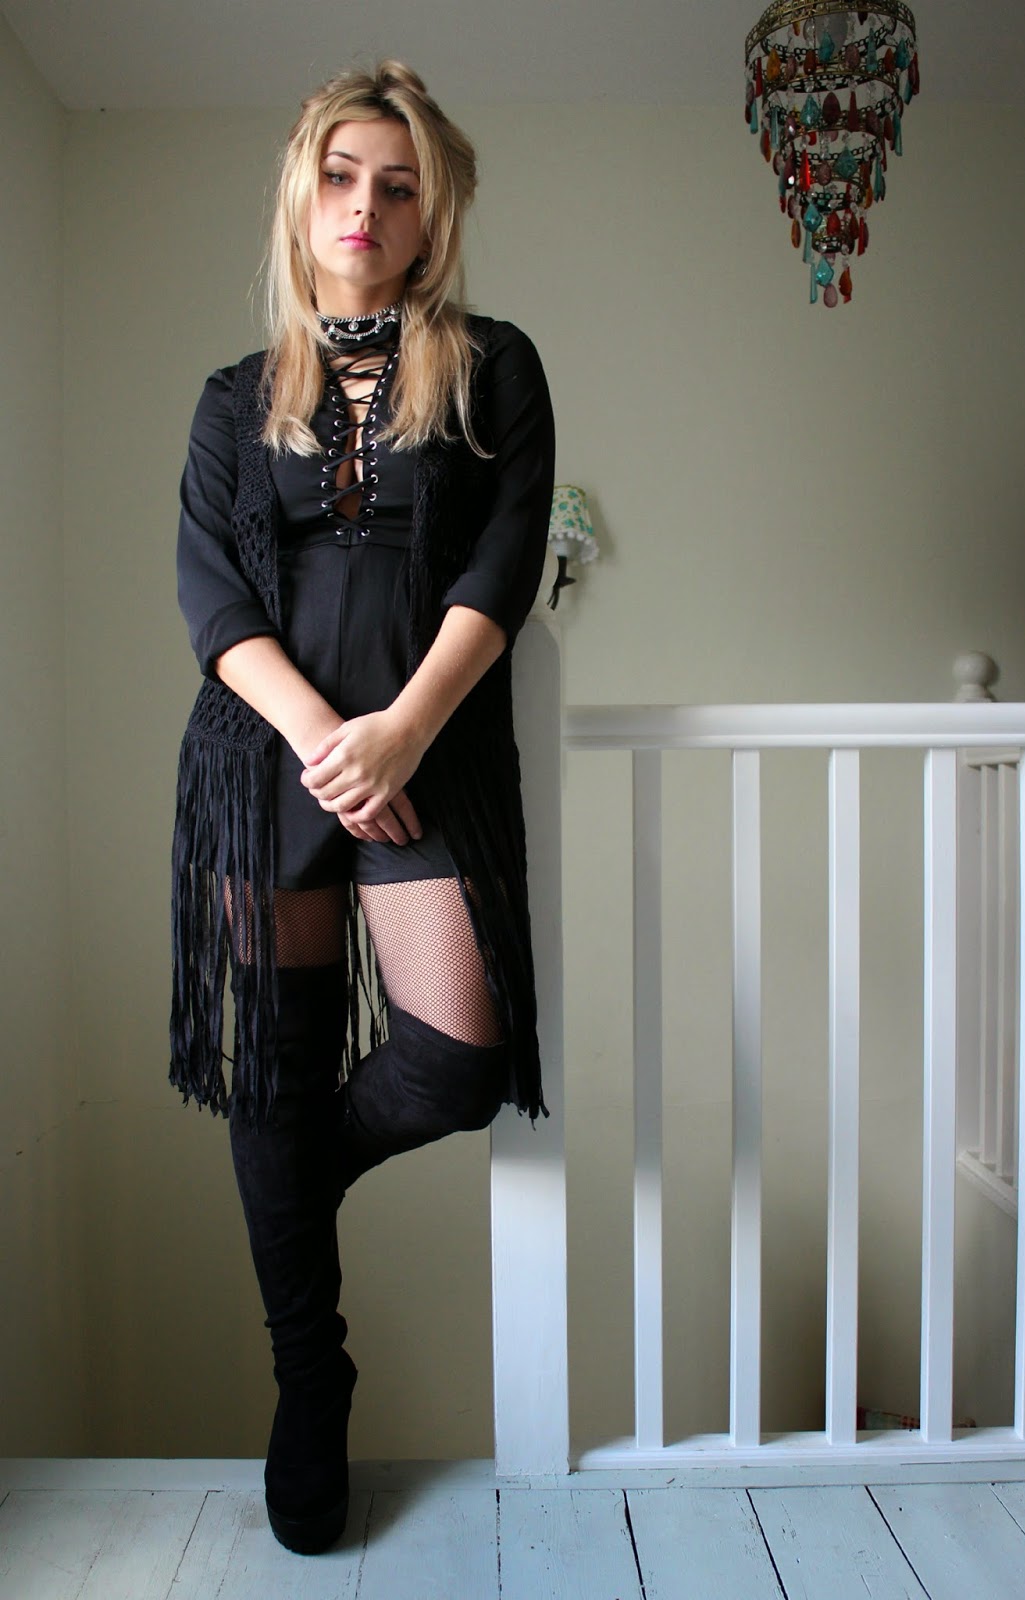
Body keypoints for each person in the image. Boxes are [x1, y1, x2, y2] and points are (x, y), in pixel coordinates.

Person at [169, 60, 554, 1556]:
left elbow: (502, 566)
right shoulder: (233, 398)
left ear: (433, 213)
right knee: (269, 1059)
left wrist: (399, 737)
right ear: (301, 196)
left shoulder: (494, 366)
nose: (366, 207)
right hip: (267, 758)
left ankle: (291, 1159)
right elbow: (212, 598)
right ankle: (309, 1380)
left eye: (399, 185)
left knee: (455, 1060)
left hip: (426, 753)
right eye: (340, 176)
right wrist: (334, 741)